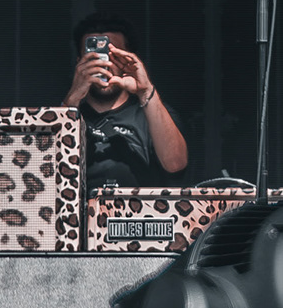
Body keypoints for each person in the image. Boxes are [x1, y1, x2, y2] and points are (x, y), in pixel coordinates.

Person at [65, 10, 190, 192]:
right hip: (77, 210)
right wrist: (72, 99)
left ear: (129, 59)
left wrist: (145, 91)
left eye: (112, 54)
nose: (104, 63)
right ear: (79, 63)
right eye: (93, 56)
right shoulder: (66, 112)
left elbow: (176, 165)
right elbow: (44, 168)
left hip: (139, 210)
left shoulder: (150, 113)